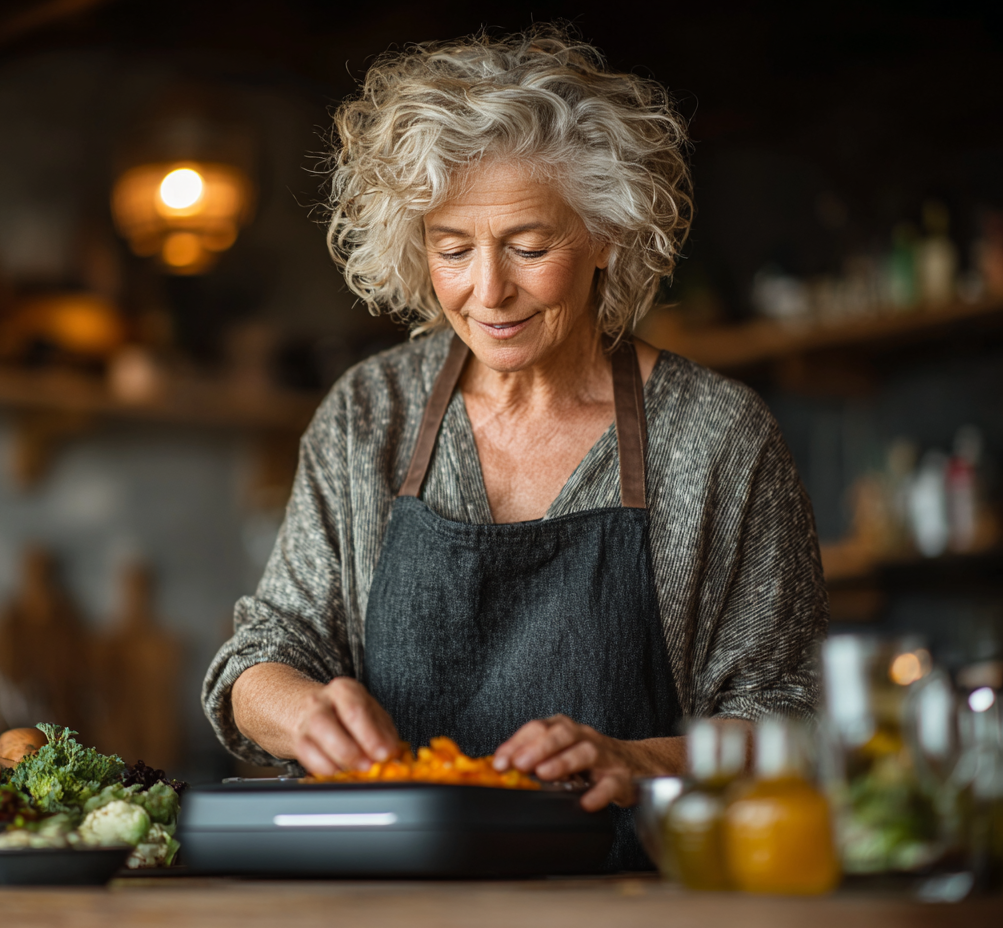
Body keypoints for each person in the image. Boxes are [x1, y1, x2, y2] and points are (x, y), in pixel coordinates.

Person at [203, 26, 827, 870]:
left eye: (530, 248)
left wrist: (642, 762)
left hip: (631, 899)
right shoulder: (368, 412)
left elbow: (789, 719)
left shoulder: (712, 437)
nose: (488, 291)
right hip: (387, 895)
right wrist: (302, 711)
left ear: (607, 234)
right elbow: (259, 658)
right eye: (452, 248)